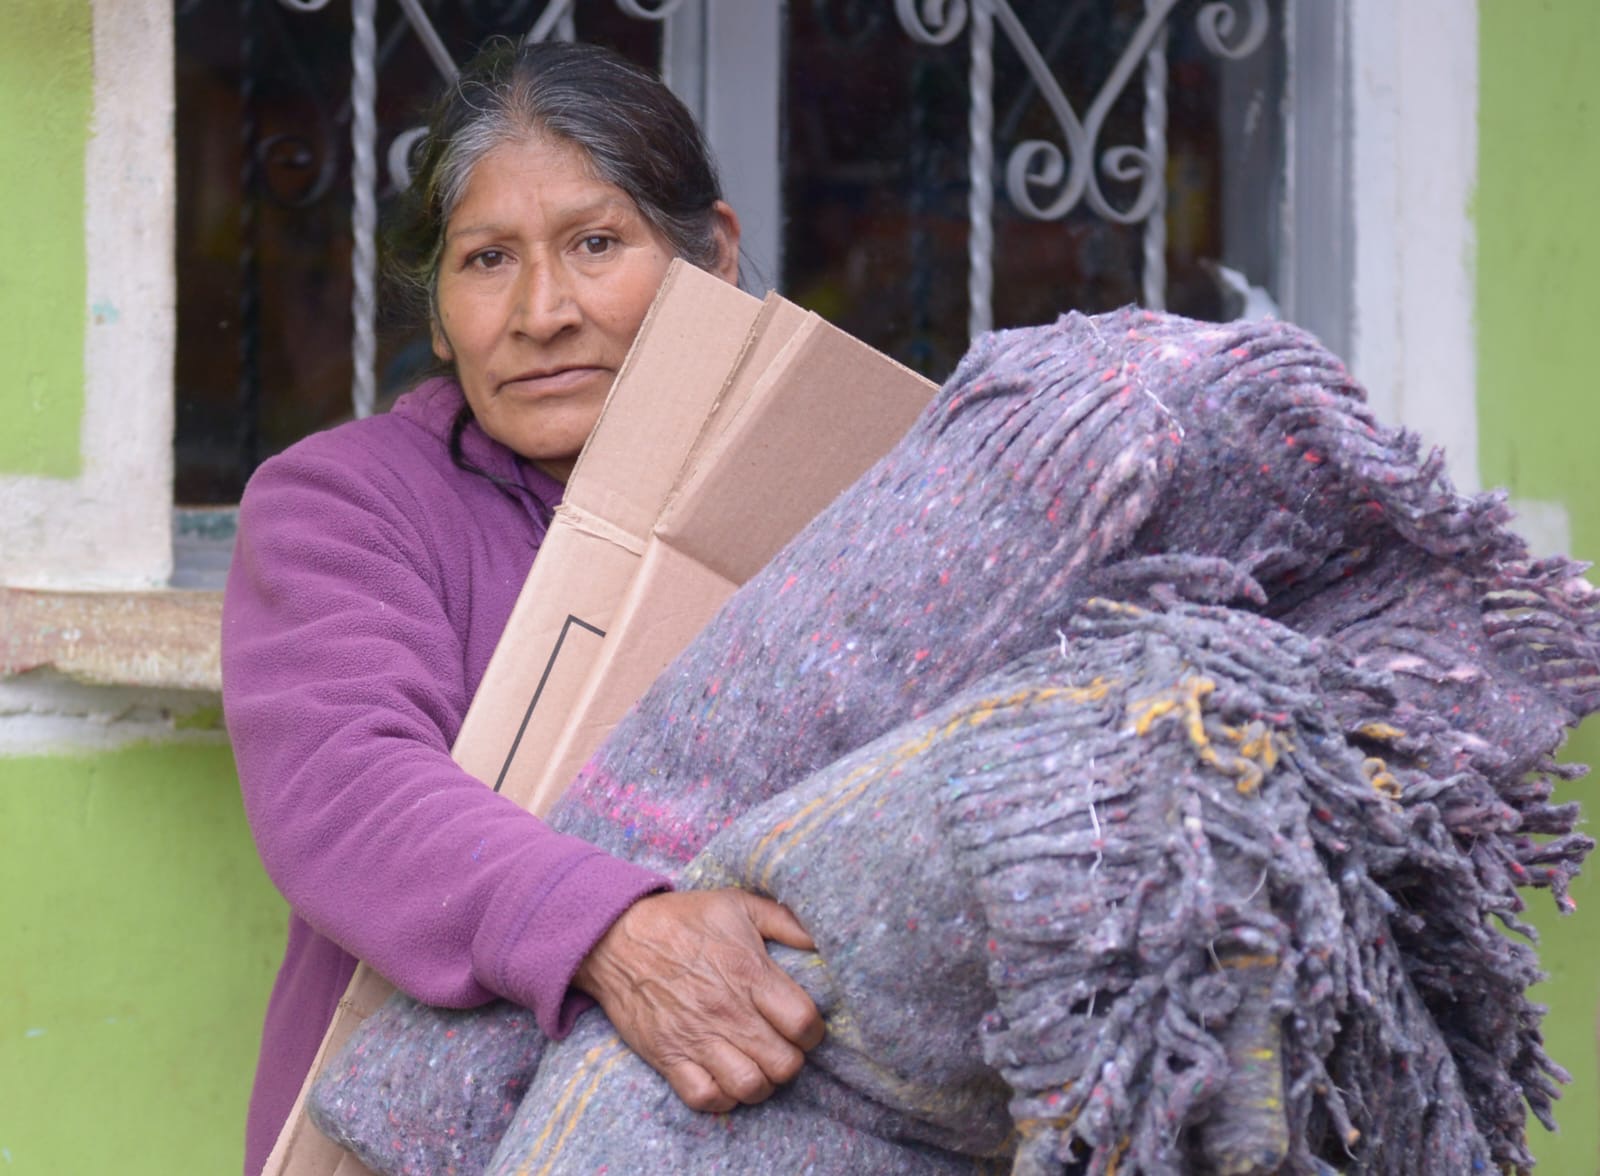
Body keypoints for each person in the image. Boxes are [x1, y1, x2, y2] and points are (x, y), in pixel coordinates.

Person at [221, 38, 823, 1176]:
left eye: (595, 244)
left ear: (712, 254)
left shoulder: (831, 503)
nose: (542, 311)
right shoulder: (341, 502)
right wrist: (611, 931)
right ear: (440, 315)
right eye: (488, 259)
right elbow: (343, 786)